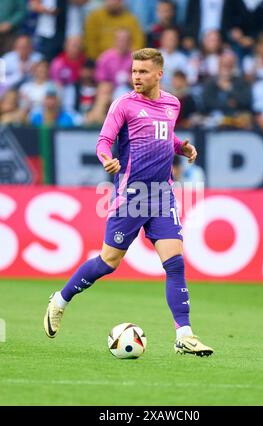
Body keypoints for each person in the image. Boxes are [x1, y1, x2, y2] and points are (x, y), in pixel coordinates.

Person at [43, 47, 214, 357]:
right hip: (131, 197)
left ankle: (184, 334)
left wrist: (182, 148)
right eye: (134, 71)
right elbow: (104, 141)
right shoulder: (123, 104)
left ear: (159, 74)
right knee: (109, 261)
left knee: (175, 264)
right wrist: (107, 159)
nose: (137, 77)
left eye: (144, 72)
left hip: (161, 195)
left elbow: (164, 136)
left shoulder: (172, 103)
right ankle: (60, 299)